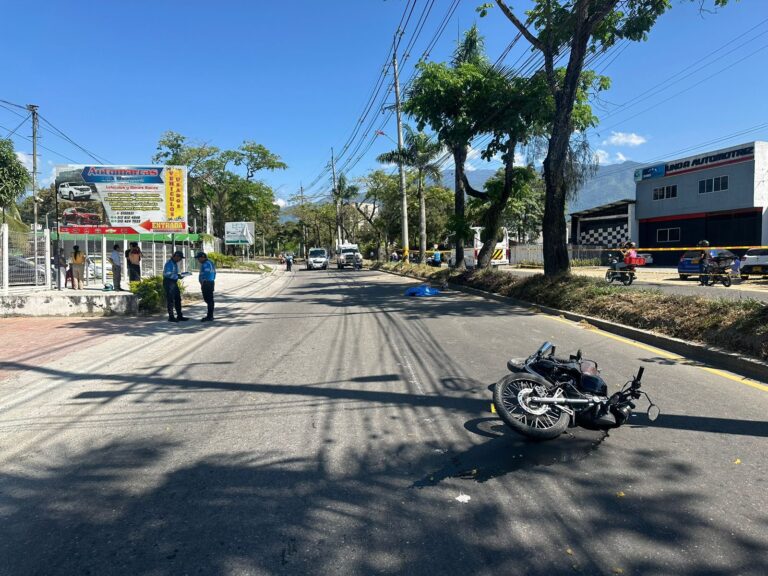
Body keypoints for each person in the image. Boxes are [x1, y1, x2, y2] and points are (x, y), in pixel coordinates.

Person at [163, 250, 189, 322]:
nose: (180, 260)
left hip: (174, 282)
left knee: (178, 299)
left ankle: (179, 316)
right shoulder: (169, 263)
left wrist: (179, 275)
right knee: (170, 299)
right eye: (180, 258)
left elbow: (173, 273)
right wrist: (177, 276)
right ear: (176, 256)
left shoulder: (174, 263)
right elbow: (167, 274)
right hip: (169, 282)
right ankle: (171, 317)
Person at [196, 252, 217, 322]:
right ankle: (210, 315)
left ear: (202, 257)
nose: (198, 260)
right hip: (208, 283)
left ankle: (210, 316)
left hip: (207, 283)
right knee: (208, 299)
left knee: (209, 299)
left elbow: (207, 274)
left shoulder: (206, 264)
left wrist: (203, 281)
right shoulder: (208, 263)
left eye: (199, 258)